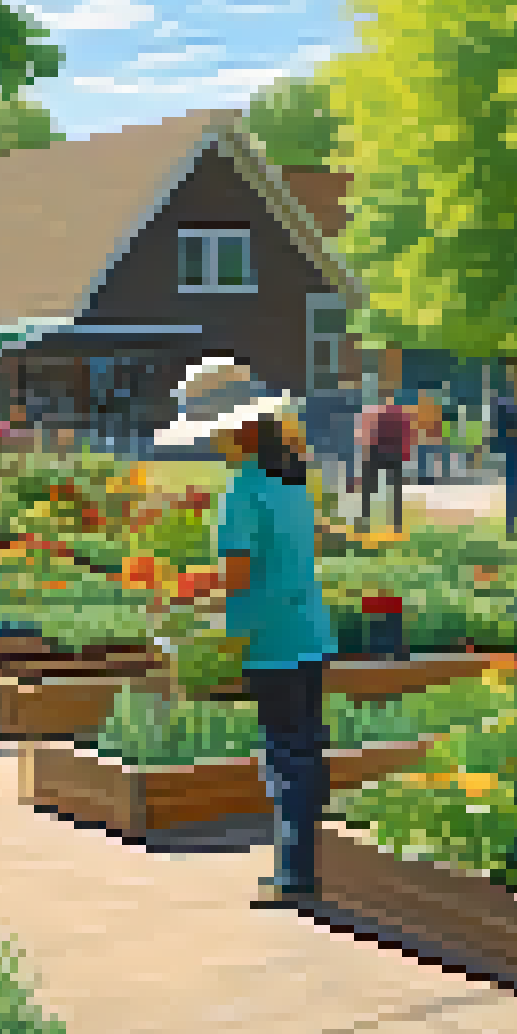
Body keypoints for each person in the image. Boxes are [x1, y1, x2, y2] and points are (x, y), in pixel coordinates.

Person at [152, 353, 334, 908]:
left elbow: (239, 576)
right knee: (306, 749)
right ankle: (306, 862)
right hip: (309, 631)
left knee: (282, 757)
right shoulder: (293, 480)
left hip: (269, 639)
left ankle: (293, 876)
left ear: (236, 430)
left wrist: (186, 595)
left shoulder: (241, 493)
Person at [353, 388, 413, 531]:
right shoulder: (399, 413)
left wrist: (366, 452)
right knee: (394, 489)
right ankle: (396, 523)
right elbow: (406, 436)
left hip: (379, 452)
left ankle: (366, 519)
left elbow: (367, 435)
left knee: (370, 487)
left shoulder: (376, 412)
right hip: (392, 453)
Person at [491, 391, 517, 538]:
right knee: (515, 489)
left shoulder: (505, 406)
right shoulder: (507, 407)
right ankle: (512, 525)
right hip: (516, 451)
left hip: (516, 451)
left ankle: (513, 524)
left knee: (516, 489)